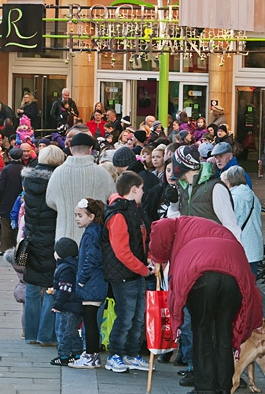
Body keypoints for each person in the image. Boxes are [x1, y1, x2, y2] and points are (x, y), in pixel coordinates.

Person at [149, 216, 262, 394]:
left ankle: (205, 388)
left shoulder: (174, 224)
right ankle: (224, 386)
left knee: (202, 329)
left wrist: (158, 257)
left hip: (201, 272)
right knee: (223, 330)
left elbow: (159, 228)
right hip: (235, 273)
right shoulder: (204, 225)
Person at [102, 171, 153, 373]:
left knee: (137, 317)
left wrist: (144, 264)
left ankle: (131, 354)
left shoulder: (132, 210)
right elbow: (122, 251)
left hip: (135, 272)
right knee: (125, 316)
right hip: (125, 274)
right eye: (141, 189)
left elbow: (139, 242)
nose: (143, 192)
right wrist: (143, 268)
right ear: (133, 189)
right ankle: (116, 354)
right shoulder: (119, 214)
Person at [21, 145, 65, 347]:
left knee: (31, 285)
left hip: (31, 238)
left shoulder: (28, 179)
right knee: (50, 286)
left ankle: (30, 332)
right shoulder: (59, 180)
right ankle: (46, 335)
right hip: (51, 239)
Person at [45, 133, 114, 245]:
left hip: (64, 237)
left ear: (71, 149)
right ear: (91, 149)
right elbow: (112, 200)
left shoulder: (58, 173)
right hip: (94, 238)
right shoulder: (102, 173)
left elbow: (50, 201)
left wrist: (65, 207)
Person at [69, 198, 108, 370]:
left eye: (80, 215)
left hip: (92, 283)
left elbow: (91, 258)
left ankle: (91, 355)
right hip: (95, 282)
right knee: (91, 320)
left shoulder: (92, 232)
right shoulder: (95, 230)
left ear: (91, 216)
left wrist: (82, 279)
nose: (77, 218)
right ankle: (93, 355)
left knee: (90, 321)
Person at [221, 166, 263, 276]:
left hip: (241, 249)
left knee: (240, 287)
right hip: (255, 248)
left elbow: (230, 224)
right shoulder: (253, 196)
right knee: (250, 285)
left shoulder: (233, 199)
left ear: (229, 182)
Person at [49, 237, 83, 366]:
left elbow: (65, 289)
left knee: (65, 332)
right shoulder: (73, 265)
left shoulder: (65, 268)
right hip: (74, 304)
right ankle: (77, 353)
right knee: (72, 331)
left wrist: (57, 304)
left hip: (69, 306)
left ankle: (63, 356)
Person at [0, 147, 25, 255]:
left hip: (7, 200)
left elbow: (0, 186)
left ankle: (5, 249)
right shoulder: (24, 169)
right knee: (18, 225)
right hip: (21, 200)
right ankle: (16, 248)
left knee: (6, 225)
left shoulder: (6, 169)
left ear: (10, 156)